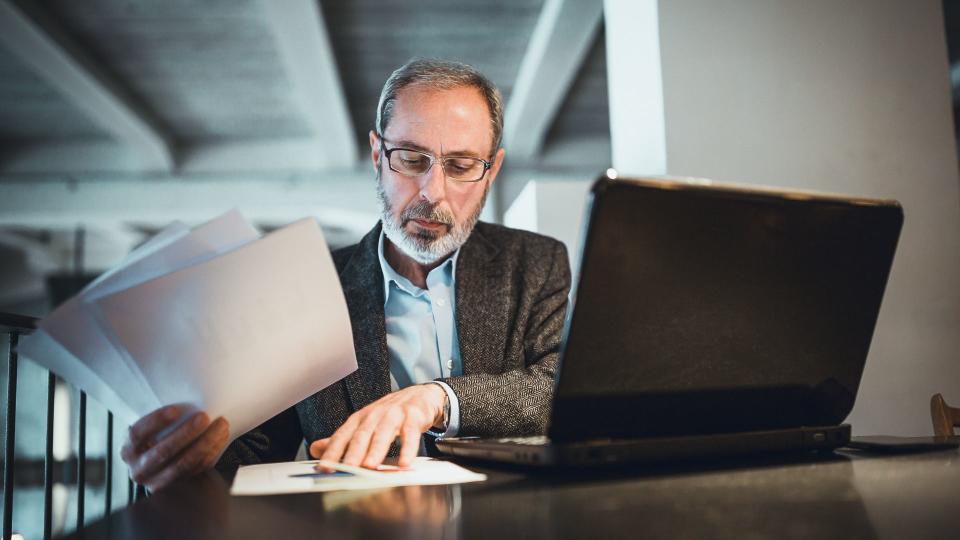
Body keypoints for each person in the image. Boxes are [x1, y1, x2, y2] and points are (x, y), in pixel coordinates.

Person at [120, 58, 571, 491]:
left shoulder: (537, 262)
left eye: (461, 166)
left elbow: (558, 391)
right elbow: (254, 448)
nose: (433, 193)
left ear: (491, 172)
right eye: (411, 160)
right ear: (377, 154)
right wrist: (186, 461)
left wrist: (436, 399)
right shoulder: (310, 285)